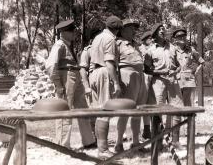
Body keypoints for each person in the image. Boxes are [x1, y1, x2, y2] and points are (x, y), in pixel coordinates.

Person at [45, 19, 96, 149]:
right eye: (71, 31)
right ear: (64, 32)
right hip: (66, 77)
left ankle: (89, 141)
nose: (74, 33)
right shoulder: (59, 45)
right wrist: (58, 84)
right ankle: (62, 145)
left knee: (82, 108)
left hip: (74, 75)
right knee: (65, 110)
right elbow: (50, 66)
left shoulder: (67, 45)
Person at [144, 23, 183, 149]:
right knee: (158, 111)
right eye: (159, 30)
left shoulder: (172, 47)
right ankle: (158, 142)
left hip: (173, 81)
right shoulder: (150, 50)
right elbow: (147, 69)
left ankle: (176, 141)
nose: (163, 31)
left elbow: (179, 65)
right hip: (158, 82)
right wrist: (160, 72)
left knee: (177, 109)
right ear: (155, 34)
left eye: (163, 29)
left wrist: (175, 71)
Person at [90, 15, 123, 158]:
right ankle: (103, 150)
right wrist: (116, 82)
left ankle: (100, 147)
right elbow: (109, 63)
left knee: (99, 112)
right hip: (104, 72)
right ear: (117, 29)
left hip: (94, 72)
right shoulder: (110, 39)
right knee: (105, 112)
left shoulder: (98, 37)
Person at [114, 19, 148, 153]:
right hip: (126, 76)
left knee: (138, 110)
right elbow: (113, 64)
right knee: (125, 111)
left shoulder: (136, 45)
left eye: (135, 28)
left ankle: (135, 142)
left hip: (140, 76)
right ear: (123, 30)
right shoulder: (117, 44)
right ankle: (118, 143)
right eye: (131, 28)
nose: (134, 31)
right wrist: (117, 82)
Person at [172, 28, 205, 106]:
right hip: (176, 81)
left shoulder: (191, 50)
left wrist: (196, 71)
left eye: (184, 36)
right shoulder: (172, 50)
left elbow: (202, 62)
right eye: (180, 36)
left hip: (189, 81)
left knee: (189, 107)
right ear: (175, 39)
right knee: (177, 106)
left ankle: (190, 118)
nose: (182, 38)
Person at [139, 31, 154, 140]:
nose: (152, 40)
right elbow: (146, 63)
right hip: (144, 76)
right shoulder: (141, 49)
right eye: (150, 38)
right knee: (142, 103)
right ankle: (145, 129)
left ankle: (148, 129)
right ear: (145, 40)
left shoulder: (153, 48)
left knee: (151, 103)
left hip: (152, 76)